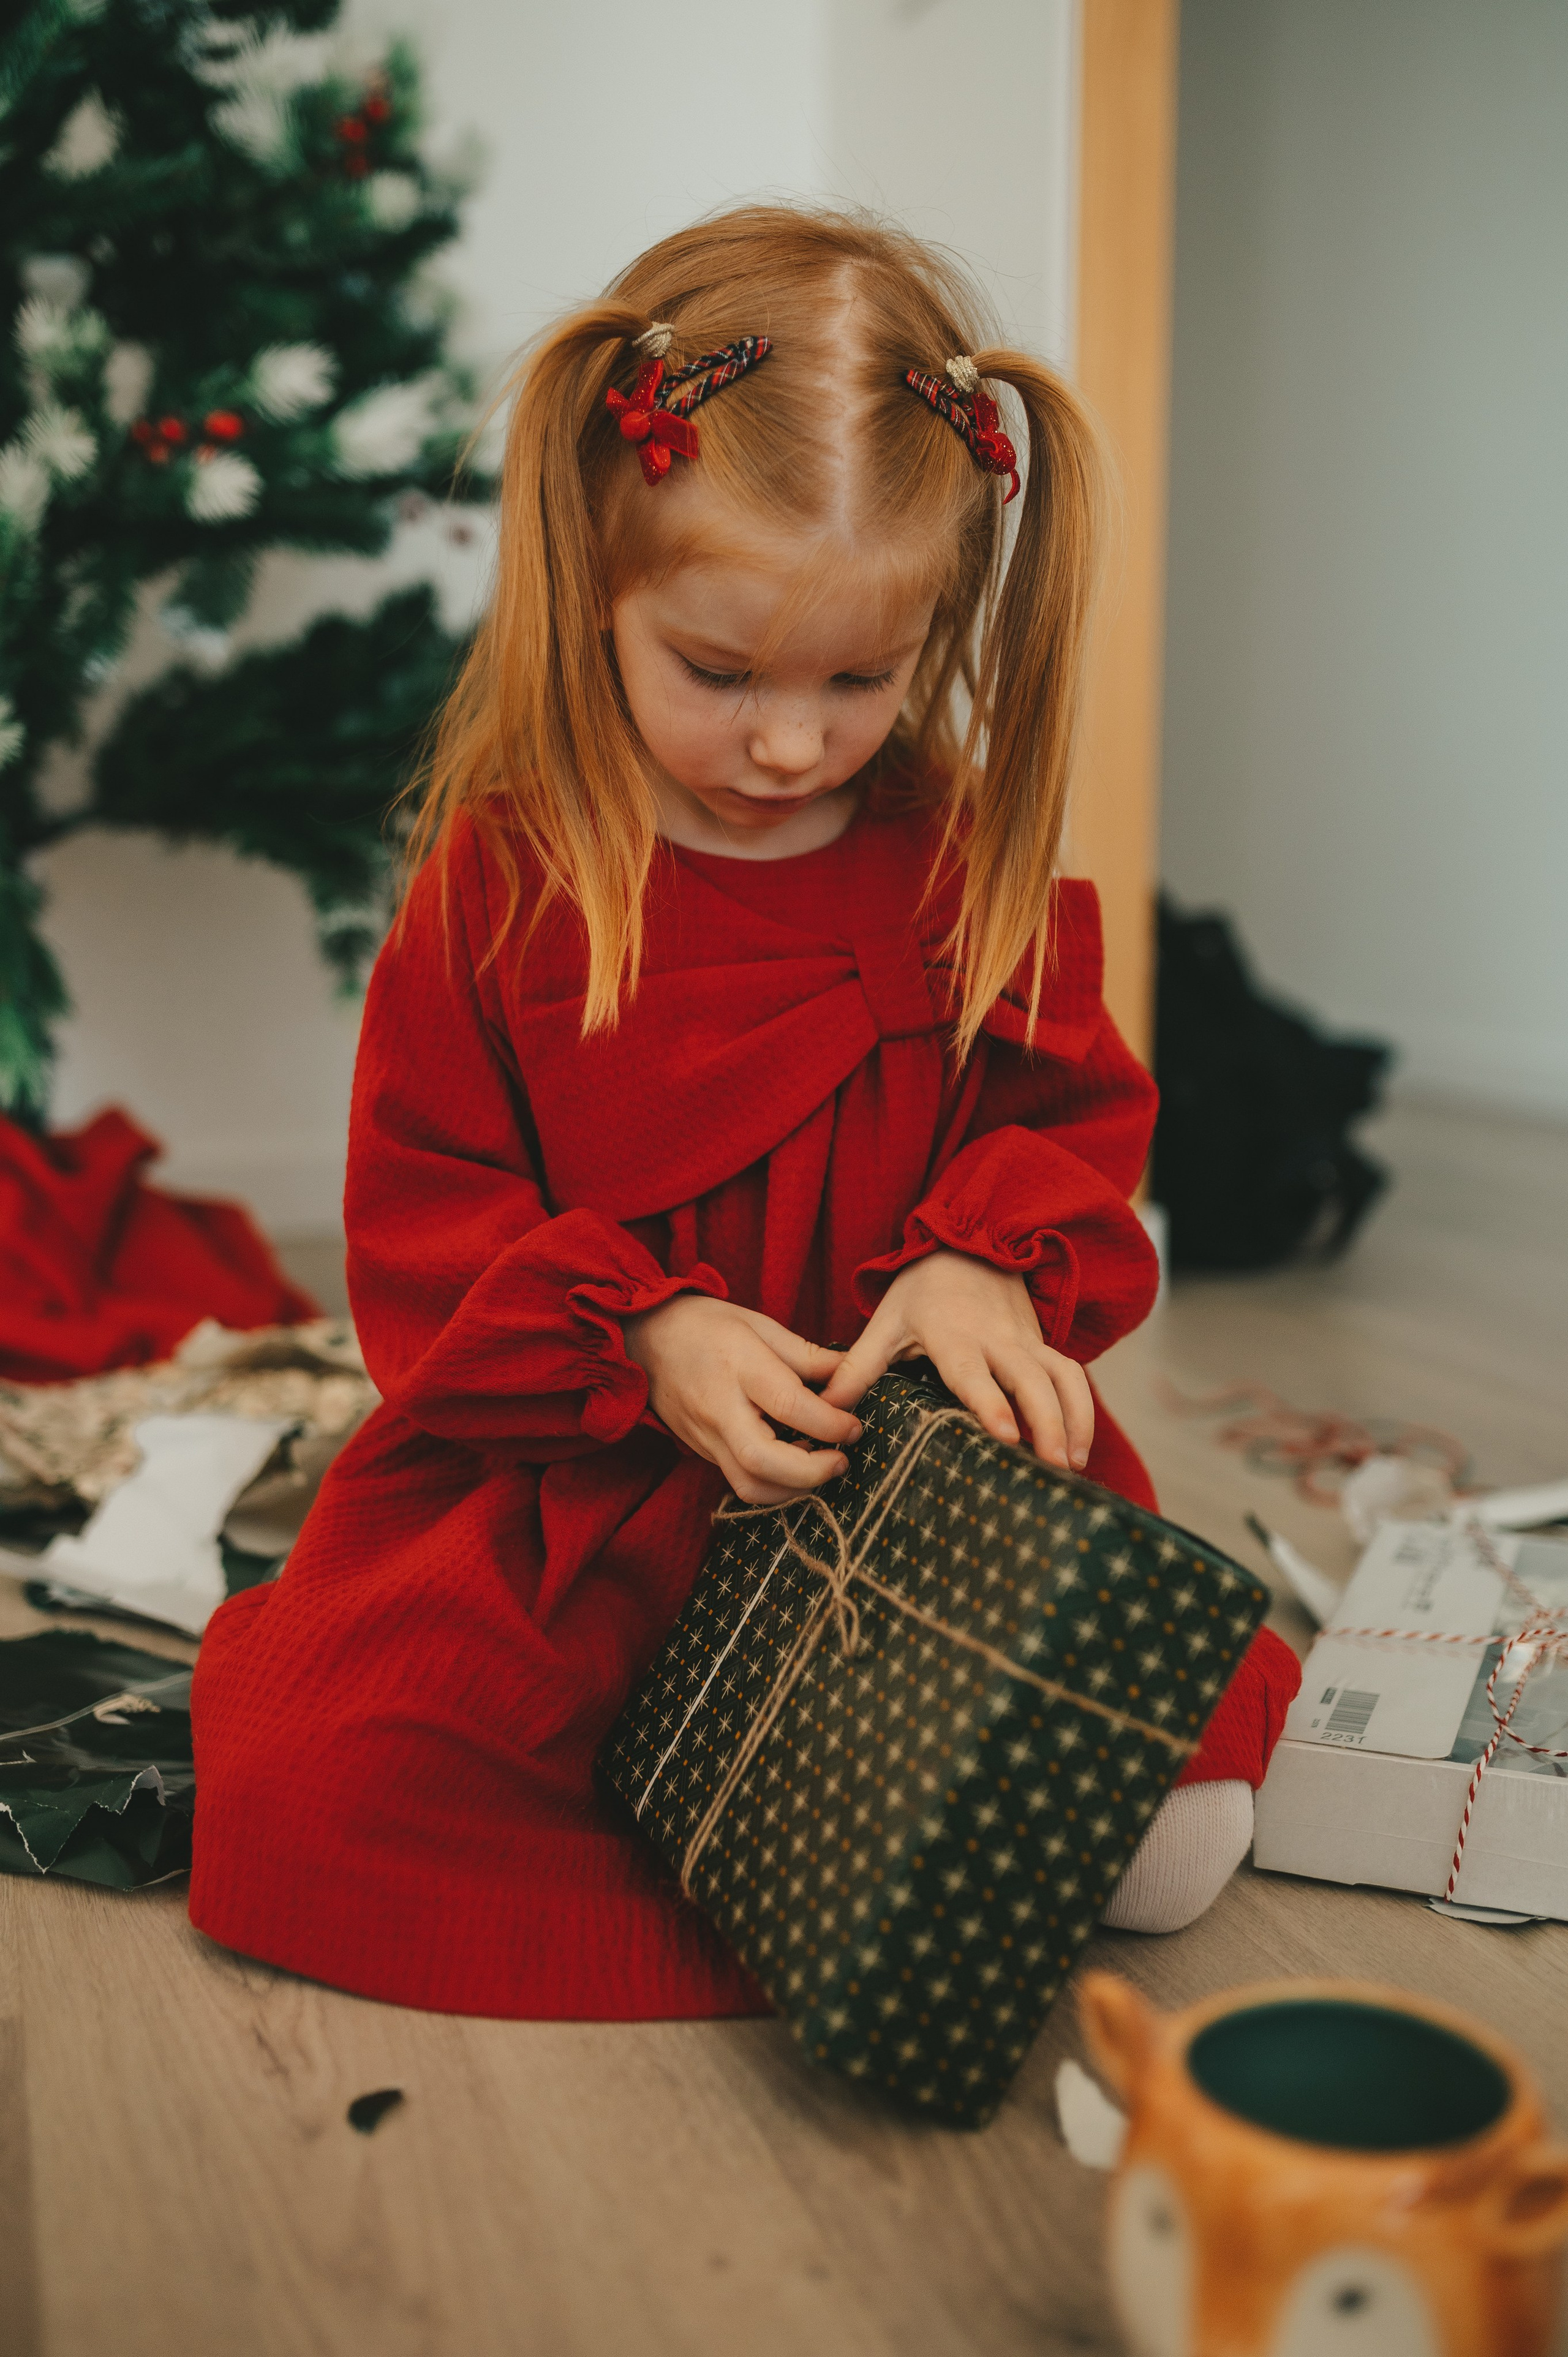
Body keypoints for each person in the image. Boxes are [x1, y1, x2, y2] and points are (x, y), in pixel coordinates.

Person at [189, 206, 1300, 2015]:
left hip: (903, 1501)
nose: (791, 744)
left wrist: (982, 1264)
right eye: (720, 675)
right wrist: (646, 1336)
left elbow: (1073, 1126)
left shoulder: (956, 856)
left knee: (1167, 1844)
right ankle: (808, 1881)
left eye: (861, 680)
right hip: (593, 1500)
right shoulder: (507, 881)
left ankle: (858, 1859)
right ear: (596, 587)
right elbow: (424, 1214)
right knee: (302, 1795)